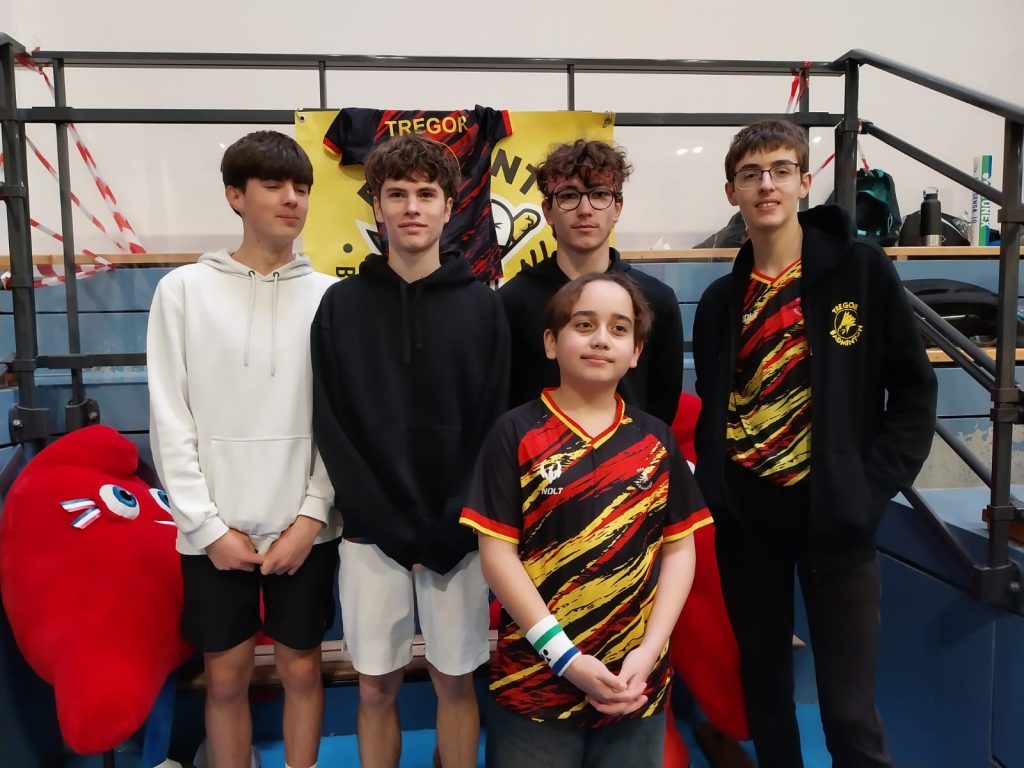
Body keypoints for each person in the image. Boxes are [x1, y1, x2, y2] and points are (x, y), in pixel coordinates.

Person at [691, 119, 938, 768]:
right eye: (750, 174)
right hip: (748, 520)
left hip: (837, 518)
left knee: (849, 714)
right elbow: (718, 404)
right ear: (731, 192)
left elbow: (914, 394)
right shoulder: (719, 302)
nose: (765, 185)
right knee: (767, 694)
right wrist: (719, 490)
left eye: (779, 170)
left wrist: (867, 490)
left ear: (804, 182)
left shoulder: (861, 272)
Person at [311, 132, 509, 768]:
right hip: (371, 535)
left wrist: (453, 525)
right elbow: (332, 423)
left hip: (458, 536)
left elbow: (493, 425)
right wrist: (386, 524)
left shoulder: (484, 307)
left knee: (456, 682)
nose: (412, 207)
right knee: (374, 687)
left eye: (426, 194)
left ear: (450, 206)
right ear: (377, 207)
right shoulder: (340, 306)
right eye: (397, 194)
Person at [147, 130, 340, 768]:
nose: (292, 200)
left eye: (302, 188)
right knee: (225, 678)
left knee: (302, 670)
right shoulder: (182, 291)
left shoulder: (329, 297)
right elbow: (170, 417)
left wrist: (311, 518)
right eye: (274, 186)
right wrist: (205, 527)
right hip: (214, 533)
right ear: (236, 195)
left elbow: (338, 422)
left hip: (303, 530)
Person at [462, 272, 708, 768]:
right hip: (535, 684)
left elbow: (680, 548)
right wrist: (564, 657)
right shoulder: (515, 433)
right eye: (583, 324)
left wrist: (649, 652)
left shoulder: (655, 439)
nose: (600, 339)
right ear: (551, 342)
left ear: (636, 351)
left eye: (619, 328)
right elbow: (497, 556)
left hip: (632, 684)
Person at [498, 139, 684, 425]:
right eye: (569, 196)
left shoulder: (656, 299)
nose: (585, 209)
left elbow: (662, 402)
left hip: (633, 452)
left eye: (599, 194)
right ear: (548, 211)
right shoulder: (510, 303)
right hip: (532, 452)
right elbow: (503, 401)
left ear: (617, 207)